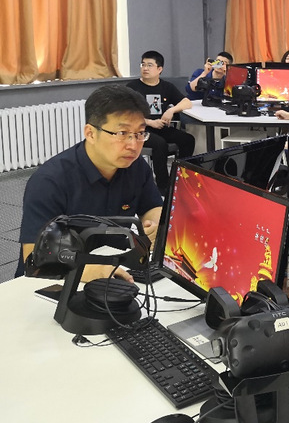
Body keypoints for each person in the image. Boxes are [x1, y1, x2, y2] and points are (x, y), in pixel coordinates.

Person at [17, 86, 163, 282]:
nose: (133, 145)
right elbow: (34, 259)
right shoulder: (49, 181)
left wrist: (154, 225)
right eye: (122, 133)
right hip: (51, 280)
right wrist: (88, 271)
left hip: (114, 268)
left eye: (140, 133)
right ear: (91, 133)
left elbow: (153, 206)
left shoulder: (135, 167)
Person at [127, 50, 196, 194]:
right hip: (140, 129)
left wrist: (171, 110)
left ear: (159, 69)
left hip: (161, 127)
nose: (145, 68)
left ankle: (180, 178)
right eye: (143, 64)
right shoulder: (132, 88)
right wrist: (149, 122)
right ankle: (163, 186)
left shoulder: (167, 87)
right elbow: (126, 113)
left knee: (188, 139)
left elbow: (187, 102)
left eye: (149, 65)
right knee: (160, 144)